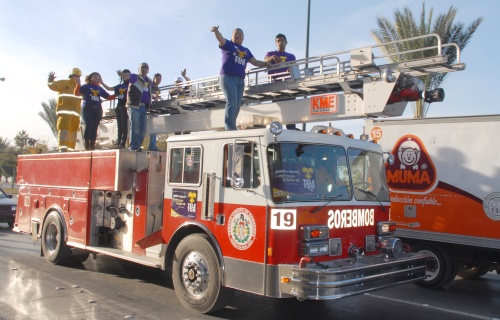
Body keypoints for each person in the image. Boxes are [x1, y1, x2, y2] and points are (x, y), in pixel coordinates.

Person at [211, 26, 271, 130]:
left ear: (243, 37)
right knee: (232, 101)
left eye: (240, 34)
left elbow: (255, 62)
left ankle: (232, 124)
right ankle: (229, 127)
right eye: (236, 34)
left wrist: (266, 64)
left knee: (237, 104)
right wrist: (216, 31)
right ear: (232, 37)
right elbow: (220, 39)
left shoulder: (246, 50)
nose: (238, 35)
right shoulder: (229, 45)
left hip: (240, 80)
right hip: (228, 77)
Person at [264, 33, 298, 130]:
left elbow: (294, 68)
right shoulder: (270, 54)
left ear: (286, 42)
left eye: (282, 41)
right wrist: (273, 58)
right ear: (275, 43)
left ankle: (291, 130)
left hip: (289, 86)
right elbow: (264, 61)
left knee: (290, 111)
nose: (280, 43)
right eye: (278, 41)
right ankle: (276, 130)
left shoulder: (291, 56)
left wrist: (290, 70)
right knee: (277, 112)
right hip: (276, 86)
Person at [74, 72, 116, 150]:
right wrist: (78, 84)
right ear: (90, 78)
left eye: (98, 77)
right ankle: (87, 145)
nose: (96, 78)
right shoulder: (86, 86)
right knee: (88, 126)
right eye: (94, 77)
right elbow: (77, 93)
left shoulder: (100, 88)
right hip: (87, 108)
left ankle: (92, 145)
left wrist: (118, 93)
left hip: (97, 109)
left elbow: (108, 97)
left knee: (95, 127)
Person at [118, 62, 153, 151]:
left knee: (143, 129)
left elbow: (150, 92)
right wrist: (122, 74)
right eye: (142, 68)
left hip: (144, 107)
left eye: (146, 68)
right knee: (135, 126)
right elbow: (127, 76)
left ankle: (138, 146)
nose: (144, 69)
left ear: (148, 70)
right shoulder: (135, 77)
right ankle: (133, 146)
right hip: (134, 106)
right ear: (139, 69)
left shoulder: (149, 81)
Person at [47, 68, 82, 152]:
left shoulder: (80, 88)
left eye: (78, 76)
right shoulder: (64, 83)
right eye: (75, 76)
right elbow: (52, 86)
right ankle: (62, 148)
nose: (77, 78)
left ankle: (70, 149)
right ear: (71, 76)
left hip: (76, 115)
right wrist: (50, 80)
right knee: (64, 130)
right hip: (65, 114)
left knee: (73, 132)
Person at [102, 69, 130, 148]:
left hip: (126, 106)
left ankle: (122, 143)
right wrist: (101, 82)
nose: (126, 76)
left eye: (128, 74)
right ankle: (118, 143)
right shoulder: (119, 86)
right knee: (119, 125)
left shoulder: (131, 84)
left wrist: (122, 75)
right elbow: (109, 89)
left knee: (124, 125)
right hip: (118, 106)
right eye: (124, 74)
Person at [148, 73, 162, 151]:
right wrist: (155, 96)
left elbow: (157, 96)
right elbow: (151, 94)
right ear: (154, 79)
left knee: (154, 128)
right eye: (157, 78)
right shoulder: (151, 86)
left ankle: (152, 145)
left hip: (155, 108)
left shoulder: (158, 89)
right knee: (152, 127)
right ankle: (152, 146)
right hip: (150, 108)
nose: (158, 80)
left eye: (160, 79)